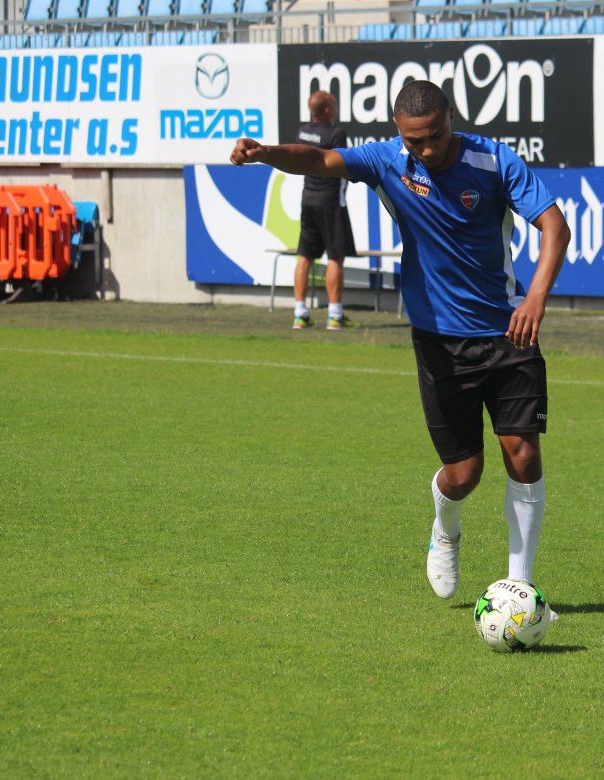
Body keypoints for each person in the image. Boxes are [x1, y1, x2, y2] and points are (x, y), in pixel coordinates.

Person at [230, 80, 571, 601]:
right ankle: (445, 527)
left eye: (435, 136)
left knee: (523, 454)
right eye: (415, 141)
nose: (427, 150)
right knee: (464, 473)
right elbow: (319, 160)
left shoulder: (494, 160)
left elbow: (554, 227)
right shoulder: (387, 161)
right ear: (398, 131)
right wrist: (266, 153)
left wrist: (536, 299)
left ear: (451, 118)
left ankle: (519, 587)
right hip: (439, 342)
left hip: (508, 330)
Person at [292, 90, 357, 330]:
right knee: (336, 257)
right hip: (331, 201)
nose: (337, 106)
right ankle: (335, 315)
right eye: (334, 103)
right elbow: (343, 167)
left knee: (305, 256)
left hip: (307, 199)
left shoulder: (302, 132)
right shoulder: (336, 134)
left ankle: (300, 314)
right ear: (328, 109)